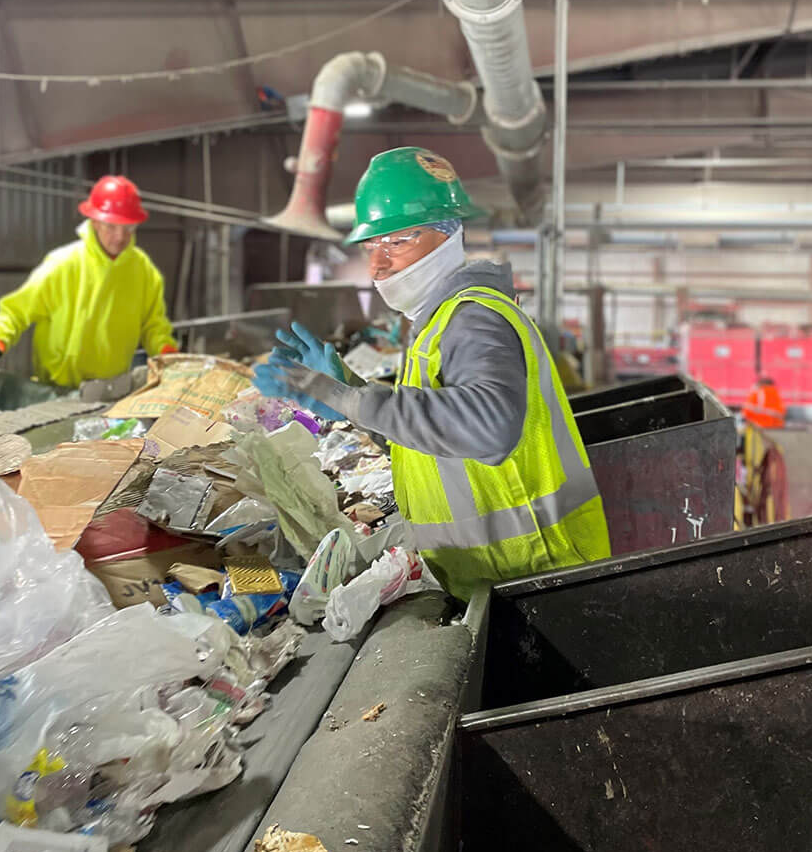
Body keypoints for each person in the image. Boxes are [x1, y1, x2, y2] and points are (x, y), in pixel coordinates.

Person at [255, 146, 610, 599]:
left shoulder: (474, 318)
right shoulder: (437, 324)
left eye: (398, 241)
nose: (378, 264)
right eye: (371, 246)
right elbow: (436, 442)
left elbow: (488, 429)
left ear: (450, 234)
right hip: (501, 579)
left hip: (541, 578)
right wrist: (354, 392)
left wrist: (348, 400)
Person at [0, 175, 177, 398]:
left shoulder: (143, 271)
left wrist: (172, 359)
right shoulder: (62, 264)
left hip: (110, 392)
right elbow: (15, 313)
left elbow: (154, 326)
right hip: (55, 392)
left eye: (128, 228)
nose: (120, 237)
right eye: (111, 226)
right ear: (95, 221)